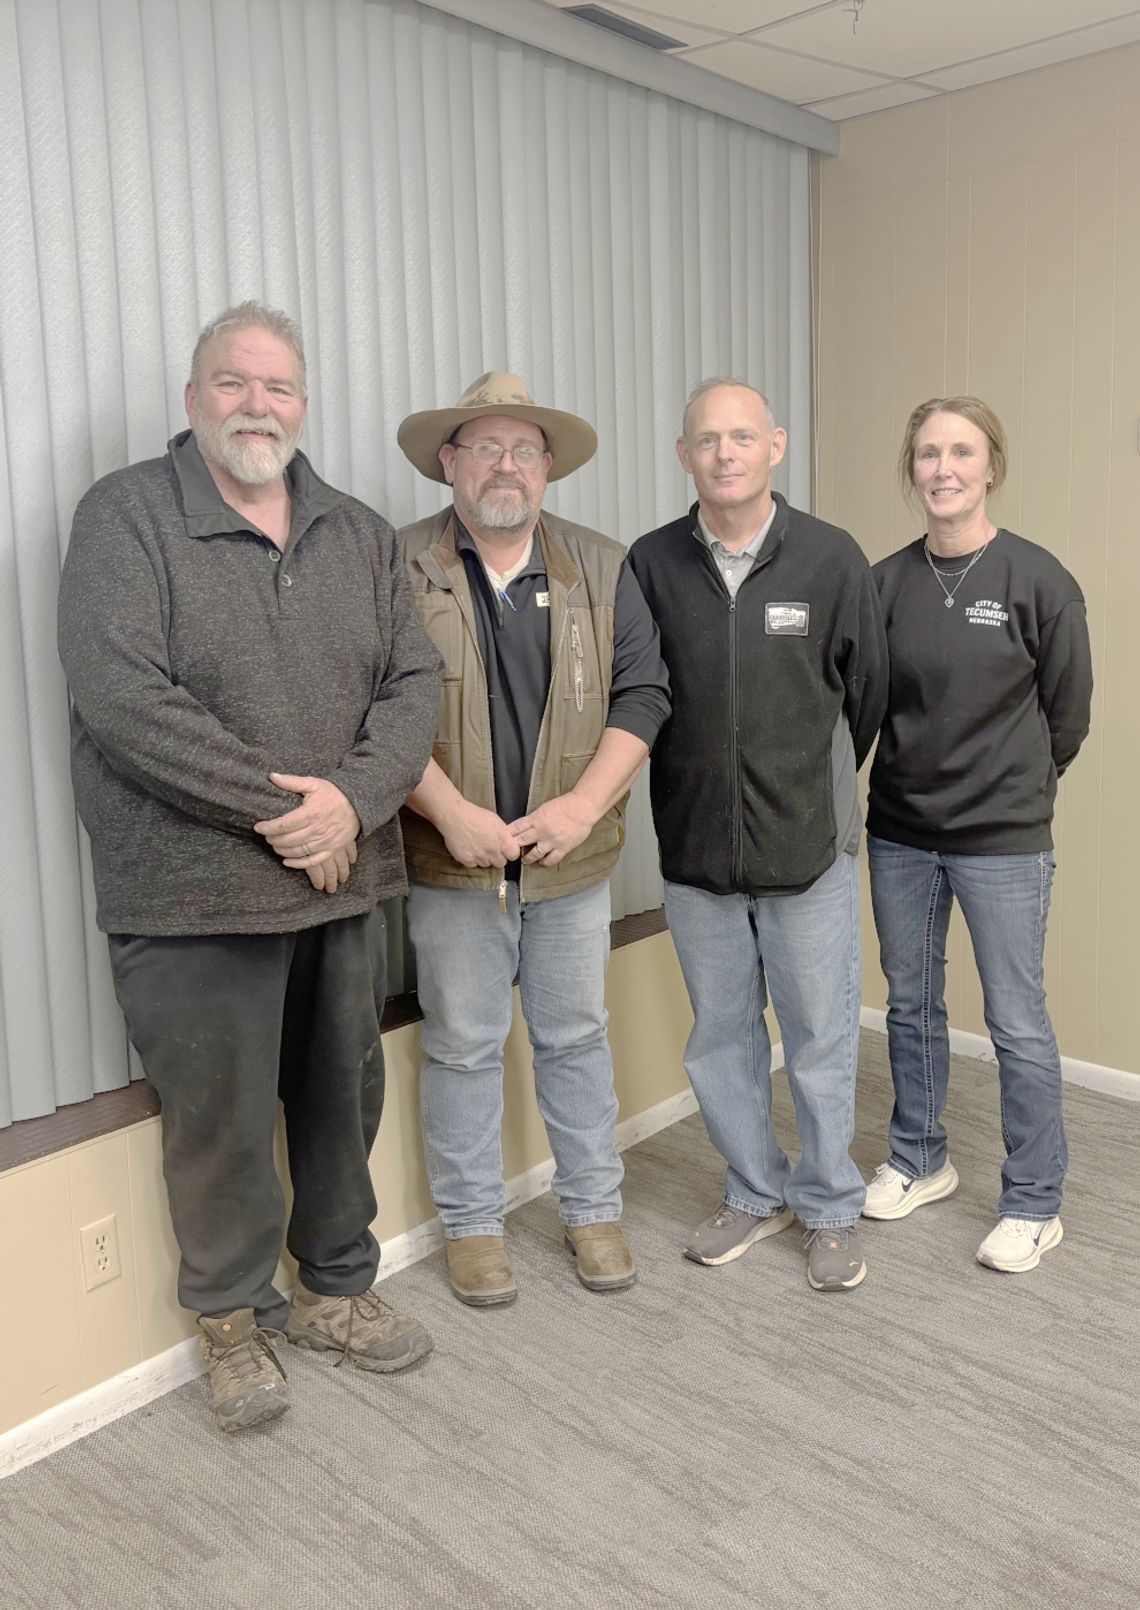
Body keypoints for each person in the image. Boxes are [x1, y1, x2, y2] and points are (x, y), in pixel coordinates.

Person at [57, 302, 443, 1431]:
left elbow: (412, 685)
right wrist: (291, 812)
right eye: (233, 383)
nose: (255, 405)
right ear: (194, 399)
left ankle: (334, 1290)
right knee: (217, 1119)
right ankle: (230, 1323)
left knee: (343, 1095)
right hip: (192, 892)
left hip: (343, 881)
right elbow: (124, 697)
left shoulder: (358, 532)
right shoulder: (126, 517)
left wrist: (356, 804)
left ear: (304, 404)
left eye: (277, 387)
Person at [396, 372, 670, 1306]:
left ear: (548, 467)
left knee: (575, 1038)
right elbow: (368, 712)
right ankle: (473, 1227)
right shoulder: (396, 567)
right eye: (484, 448)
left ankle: (593, 1209)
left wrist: (581, 807)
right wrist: (448, 813)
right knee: (464, 1045)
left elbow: (644, 696)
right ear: (450, 461)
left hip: (570, 863)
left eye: (523, 449)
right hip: (449, 862)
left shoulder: (604, 564)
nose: (504, 466)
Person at [627, 378, 888, 1293]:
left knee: (820, 1038)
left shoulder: (829, 558)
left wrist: (813, 797)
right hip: (697, 855)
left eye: (743, 437)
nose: (726, 453)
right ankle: (752, 1189)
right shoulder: (651, 564)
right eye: (708, 439)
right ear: (684, 454)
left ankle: (827, 1207)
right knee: (720, 1037)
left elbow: (869, 695)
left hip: (805, 850)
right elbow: (638, 698)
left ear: (775, 445)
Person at [862, 397, 1092, 1272]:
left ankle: (1035, 1201)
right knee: (912, 1005)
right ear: (911, 469)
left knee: (1017, 1020)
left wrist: (1015, 790)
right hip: (901, 835)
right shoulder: (884, 584)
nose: (943, 468)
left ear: (990, 466)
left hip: (1003, 841)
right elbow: (866, 711)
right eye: (927, 453)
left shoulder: (1038, 581)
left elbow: (1066, 719)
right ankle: (921, 1160)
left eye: (961, 451)